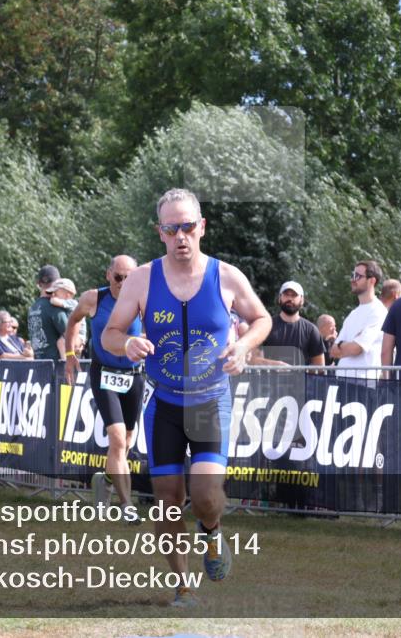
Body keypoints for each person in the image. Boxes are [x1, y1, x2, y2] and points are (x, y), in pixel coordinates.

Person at [101, 188, 271, 608]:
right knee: (167, 500)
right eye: (171, 228)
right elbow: (110, 333)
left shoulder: (227, 276)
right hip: (165, 404)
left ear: (202, 228)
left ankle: (212, 533)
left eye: (188, 227)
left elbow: (262, 318)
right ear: (160, 232)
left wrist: (245, 346)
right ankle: (183, 585)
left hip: (210, 400)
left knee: (206, 495)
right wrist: (127, 345)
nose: (181, 236)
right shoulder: (141, 278)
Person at [64, 255, 145, 518]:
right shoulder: (92, 299)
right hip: (104, 374)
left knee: (126, 443)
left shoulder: (144, 299)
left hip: (133, 375)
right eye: (119, 277)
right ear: (108, 275)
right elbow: (73, 321)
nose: (123, 283)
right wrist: (69, 354)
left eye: (129, 277)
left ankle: (106, 481)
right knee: (118, 440)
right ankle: (126, 506)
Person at [330, 260, 386, 379]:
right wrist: (347, 345)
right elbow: (333, 351)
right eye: (353, 275)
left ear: (372, 281)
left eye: (358, 276)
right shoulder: (353, 314)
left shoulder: (378, 311)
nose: (353, 279)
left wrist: (342, 345)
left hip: (364, 382)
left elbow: (356, 348)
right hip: (342, 380)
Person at [250, 281, 325, 366]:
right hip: (270, 379)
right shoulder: (265, 326)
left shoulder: (311, 330)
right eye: (286, 294)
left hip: (300, 379)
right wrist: (274, 365)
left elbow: (320, 366)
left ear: (302, 300)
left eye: (294, 295)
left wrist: (298, 372)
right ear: (279, 298)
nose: (289, 299)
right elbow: (251, 360)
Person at [28, 265, 61, 360]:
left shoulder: (32, 307)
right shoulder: (55, 306)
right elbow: (69, 334)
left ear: (38, 283)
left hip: (38, 363)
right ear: (58, 282)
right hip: (57, 366)